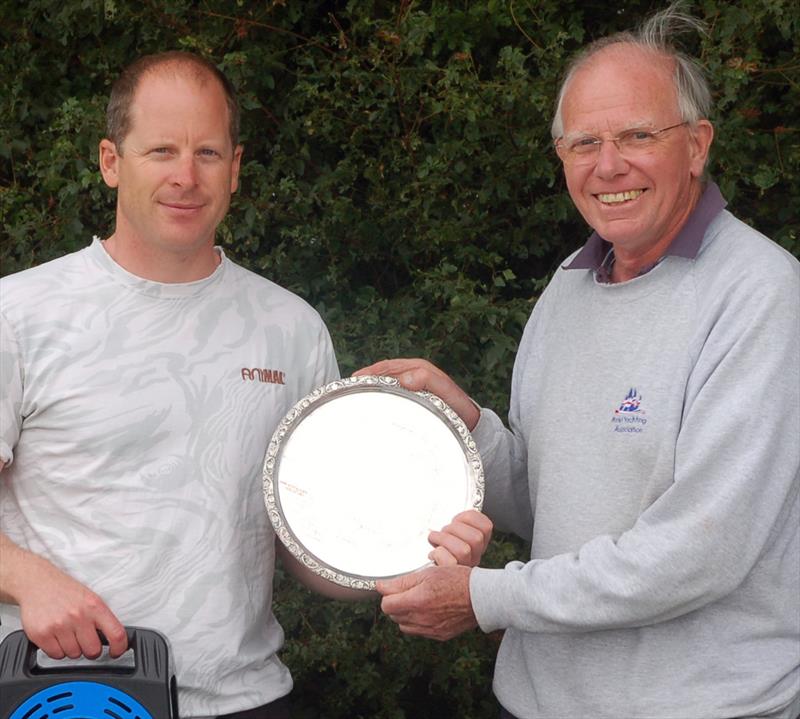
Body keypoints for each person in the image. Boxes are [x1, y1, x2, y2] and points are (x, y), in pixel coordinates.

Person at [0, 52, 491, 719]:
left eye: (207, 151)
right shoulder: (20, 315)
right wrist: (29, 579)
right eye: (161, 150)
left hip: (247, 697)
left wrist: (413, 553)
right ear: (111, 161)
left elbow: (312, 551)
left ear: (235, 167)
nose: (185, 176)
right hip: (66, 696)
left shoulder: (289, 327)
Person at [357, 6, 800, 719]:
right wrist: (464, 422)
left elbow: (697, 553)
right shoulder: (568, 285)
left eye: (636, 135)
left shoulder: (760, 295)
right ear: (561, 157)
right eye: (583, 142)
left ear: (697, 146)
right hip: (536, 701)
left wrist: (487, 596)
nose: (609, 165)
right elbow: (548, 504)